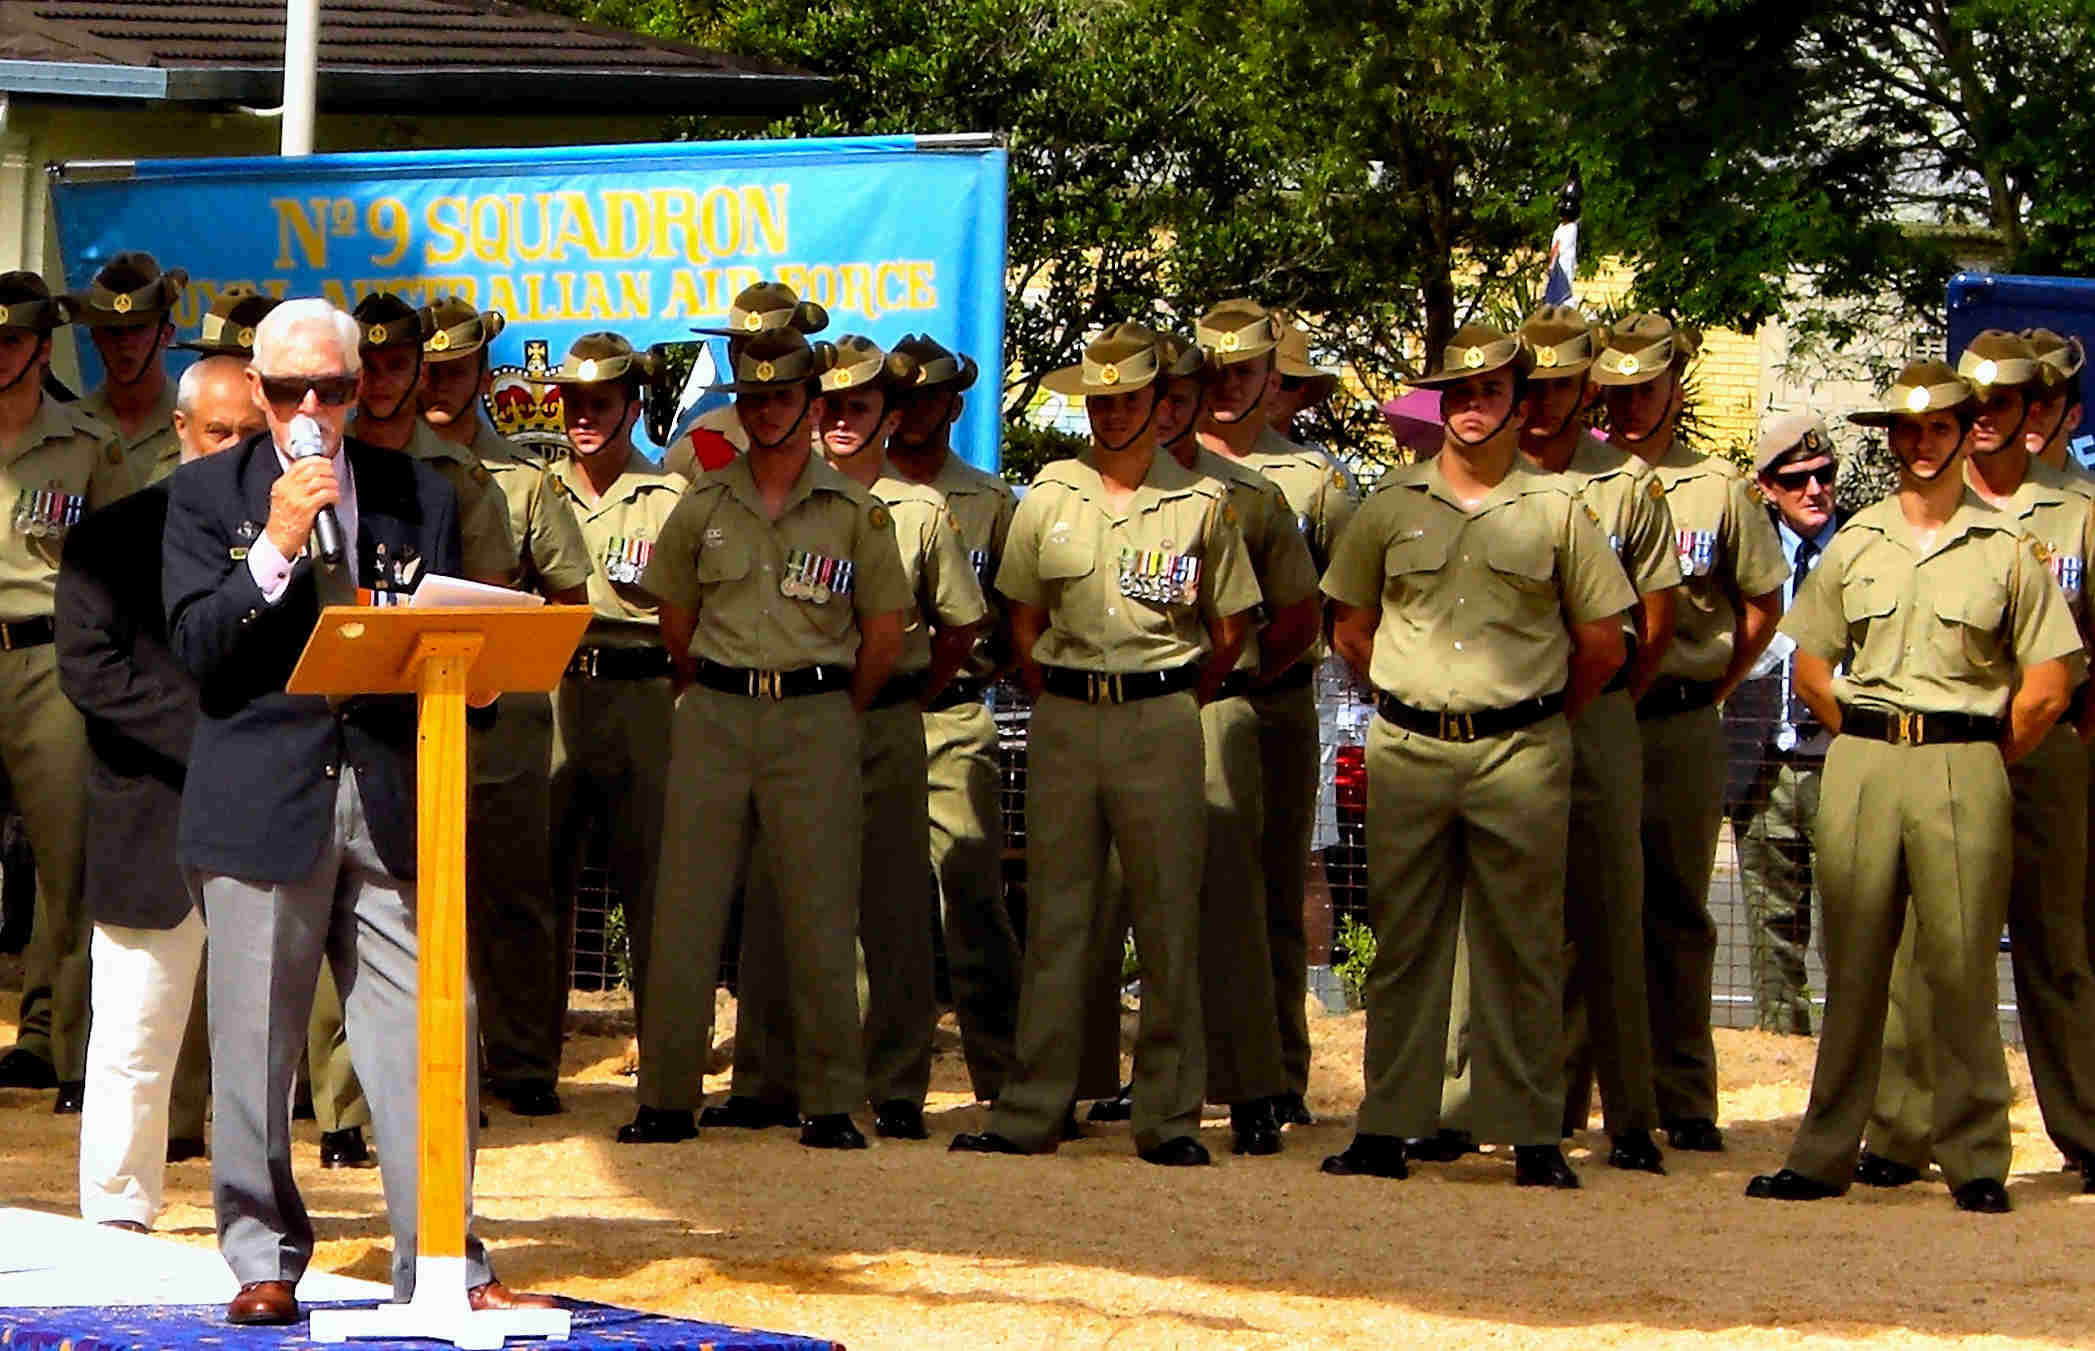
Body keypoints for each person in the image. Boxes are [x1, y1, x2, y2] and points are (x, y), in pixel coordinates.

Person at [162, 297, 555, 1322]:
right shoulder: (205, 494)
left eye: (330, 389)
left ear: (359, 390)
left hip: (390, 783)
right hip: (265, 795)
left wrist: (469, 665)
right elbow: (199, 647)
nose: (310, 409)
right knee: (254, 1041)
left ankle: (445, 1258)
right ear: (255, 389)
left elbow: (442, 618)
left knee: (432, 1029)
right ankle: (263, 1257)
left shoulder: (414, 489)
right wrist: (277, 545)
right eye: (288, 389)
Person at [1745, 358, 2081, 1213]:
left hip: (1964, 758)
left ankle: (1973, 1158)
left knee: (1961, 963)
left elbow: (2046, 682)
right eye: (1906, 428)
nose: (1921, 443)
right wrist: (1864, 731)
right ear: (1889, 439)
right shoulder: (1857, 541)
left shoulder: (2007, 547)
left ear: (1966, 431)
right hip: (1862, 759)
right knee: (1853, 964)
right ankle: (1823, 1152)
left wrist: (1973, 755)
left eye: (1938, 428)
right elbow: (1813, 658)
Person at [1318, 322, 1632, 1188]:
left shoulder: (1558, 509)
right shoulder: (1388, 503)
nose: (1469, 408)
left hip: (1520, 752)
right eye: (1456, 393)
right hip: (1410, 748)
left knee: (1521, 944)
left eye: (1488, 392)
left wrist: (1538, 715)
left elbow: (1600, 641)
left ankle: (1531, 1131)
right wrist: (1401, 695)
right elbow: (1349, 623)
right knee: (1404, 943)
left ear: (1518, 403)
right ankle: (1386, 1125)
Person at [949, 322, 1258, 1165]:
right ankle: (1032, 1109)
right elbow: (1021, 614)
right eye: (1099, 402)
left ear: (1160, 405)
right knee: (1057, 917)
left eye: (1127, 400)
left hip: (1162, 717)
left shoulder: (1200, 503)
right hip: (1066, 718)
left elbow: (1228, 628)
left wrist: (1167, 694)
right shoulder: (1048, 494)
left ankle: (1167, 1116)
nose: (1111, 416)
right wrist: (1065, 691)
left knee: (1166, 920)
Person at [618, 327, 909, 1149]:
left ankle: (826, 1101)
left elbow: (881, 637)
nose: (766, 410)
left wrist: (830, 705)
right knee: (685, 908)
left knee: (819, 910)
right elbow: (676, 621)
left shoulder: (857, 512)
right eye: (753, 397)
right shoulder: (704, 504)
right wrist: (718, 684)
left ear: (812, 407)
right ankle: (666, 1097)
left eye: (782, 396)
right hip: (714, 711)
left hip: (816, 715)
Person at [721, 334, 986, 1140]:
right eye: (827, 404)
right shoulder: (780, 497)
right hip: (790, 720)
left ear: (889, 414)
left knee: (893, 903)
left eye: (858, 407)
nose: (839, 420)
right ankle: (764, 1078)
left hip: (879, 719)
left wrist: (896, 694)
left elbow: (960, 628)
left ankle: (897, 1082)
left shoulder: (918, 510)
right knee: (773, 899)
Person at [1436, 305, 1679, 1173]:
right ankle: (1462, 1103)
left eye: (1558, 387)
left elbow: (1652, 623)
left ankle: (1629, 1116)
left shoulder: (1624, 486)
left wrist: (1587, 699)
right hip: (1495, 720)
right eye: (1525, 387)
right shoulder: (1474, 482)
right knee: (1480, 911)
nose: (1539, 404)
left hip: (1593, 714)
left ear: (1587, 390)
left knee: (1610, 908)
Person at [1856, 331, 2095, 1190]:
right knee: (1924, 948)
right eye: (1975, 405)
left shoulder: (2077, 510)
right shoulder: (1929, 513)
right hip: (1941, 753)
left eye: (2003, 404)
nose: (1986, 420)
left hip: (2044, 755)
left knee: (2056, 942)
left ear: (2035, 411)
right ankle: (1899, 1130)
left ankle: (2085, 1126)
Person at [60, 354, 260, 1231]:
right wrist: (211, 742)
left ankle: (258, 1226)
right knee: (135, 1033)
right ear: (181, 430)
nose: (235, 450)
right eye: (220, 432)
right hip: (152, 808)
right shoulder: (112, 536)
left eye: (253, 436)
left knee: (259, 1041)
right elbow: (89, 670)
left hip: (265, 814)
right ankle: (117, 1214)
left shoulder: (297, 540)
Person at [1595, 313, 1788, 1153]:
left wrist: (1711, 679)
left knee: (1676, 907)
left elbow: (1760, 605)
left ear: (1676, 388)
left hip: (1675, 718)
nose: (1632, 405)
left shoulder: (1718, 489)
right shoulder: (1574, 480)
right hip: (1588, 710)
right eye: (1617, 391)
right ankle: (1563, 1094)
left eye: (1646, 388)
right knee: (1580, 903)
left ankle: (1683, 1095)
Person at [419, 297, 593, 1117]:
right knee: (401, 892)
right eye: (429, 368)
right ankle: (411, 1066)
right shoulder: (383, 464)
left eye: (455, 369)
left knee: (515, 891)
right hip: (406, 703)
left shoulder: (526, 479)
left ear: (484, 374)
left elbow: (567, 593)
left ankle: (522, 1061)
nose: (440, 383)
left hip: (506, 714)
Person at [1193, 297, 1358, 1128]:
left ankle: (1279, 1069)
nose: (1227, 386)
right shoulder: (1165, 466)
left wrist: (1265, 671)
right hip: (1179, 700)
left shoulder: (1315, 481)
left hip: (1279, 696)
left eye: (1245, 371)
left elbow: (1336, 597)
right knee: (1169, 887)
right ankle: (1179, 1064)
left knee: (1273, 885)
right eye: (1214, 370)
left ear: (1272, 378)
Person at [0, 271, 133, 1109]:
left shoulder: (87, 442)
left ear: (41, 348)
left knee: (69, 864)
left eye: (10, 341)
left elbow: (118, 569)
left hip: (48, 662)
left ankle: (66, 1051)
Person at [542, 332, 688, 1073]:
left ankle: (665, 1059)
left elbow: (693, 612)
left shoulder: (671, 499)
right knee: (539, 884)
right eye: (572, 402)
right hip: (556, 692)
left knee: (654, 886)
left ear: (633, 406)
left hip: (644, 696)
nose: (583, 416)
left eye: (600, 402)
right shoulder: (536, 487)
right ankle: (530, 1060)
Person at [886, 333, 1024, 1105]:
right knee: (880, 902)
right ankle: (885, 1078)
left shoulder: (990, 502)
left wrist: (961, 677)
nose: (911, 412)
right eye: (898, 399)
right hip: (868, 713)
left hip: (952, 715)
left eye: (926, 398)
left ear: (954, 404)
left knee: (972, 894)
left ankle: (1004, 1077)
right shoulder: (857, 493)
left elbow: (1011, 617)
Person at [1723, 412, 1841, 1036]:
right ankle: (1783, 1048)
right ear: (1766, 487)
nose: (1814, 491)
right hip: (1762, 761)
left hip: (1842, 762)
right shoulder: (1746, 555)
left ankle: (1853, 1057)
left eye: (1824, 475)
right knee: (1772, 929)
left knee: (1852, 924)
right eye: (1796, 481)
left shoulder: (1858, 547)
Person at [665, 281, 830, 480]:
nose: (755, 363)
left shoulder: (837, 438)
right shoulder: (700, 443)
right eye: (743, 349)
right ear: (729, 354)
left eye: (771, 349)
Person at [69, 251, 185, 488]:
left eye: (138, 328)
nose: (125, 342)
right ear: (95, 335)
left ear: (166, 334)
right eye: (112, 329)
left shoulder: (198, 426)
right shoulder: (67, 427)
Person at [2023, 328, 2088, 479]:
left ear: (2073, 416)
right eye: (2023, 401)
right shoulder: (1961, 490)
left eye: (2046, 403)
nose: (2031, 414)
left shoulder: (2090, 498)